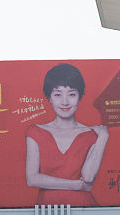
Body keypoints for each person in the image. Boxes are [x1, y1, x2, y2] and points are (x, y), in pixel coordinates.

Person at [25, 63, 109, 205]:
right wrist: (76, 185)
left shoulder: (91, 135)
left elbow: (88, 178)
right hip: (48, 210)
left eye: (71, 94)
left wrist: (103, 137)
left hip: (83, 209)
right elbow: (32, 179)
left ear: (80, 96)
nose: (65, 102)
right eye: (58, 95)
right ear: (49, 97)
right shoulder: (36, 132)